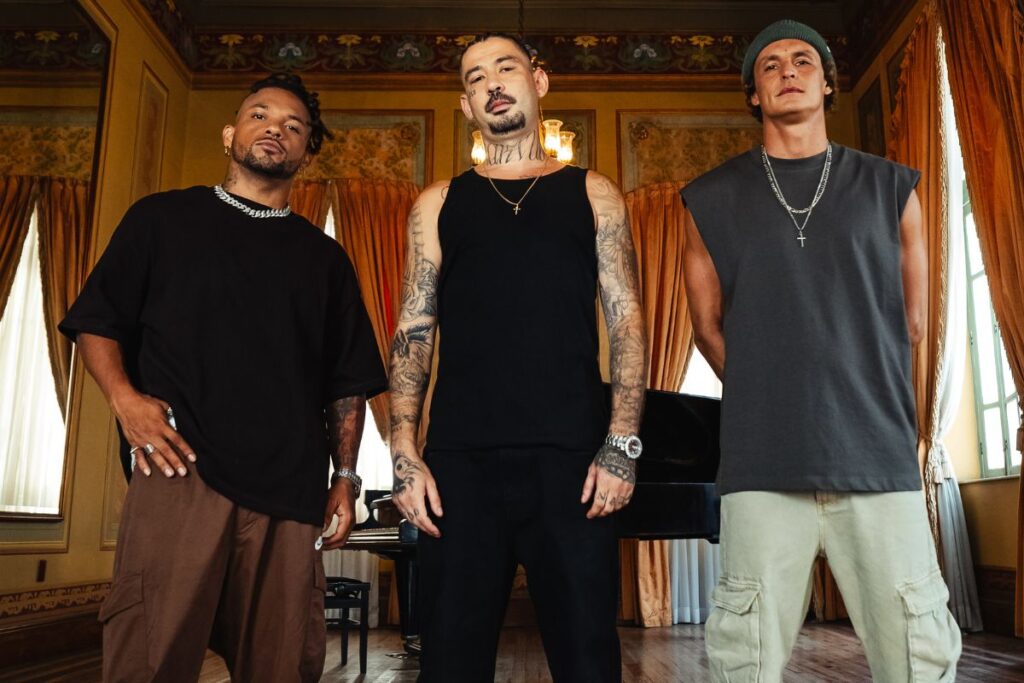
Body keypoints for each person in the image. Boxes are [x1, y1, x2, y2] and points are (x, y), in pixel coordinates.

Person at [60, 73, 387, 682]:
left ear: (307, 153)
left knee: (283, 665)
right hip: (180, 469)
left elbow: (346, 381)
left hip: (291, 488)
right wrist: (126, 402)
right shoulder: (161, 219)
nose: (275, 129)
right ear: (230, 133)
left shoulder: (326, 260)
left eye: (294, 126)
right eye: (260, 115)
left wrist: (345, 477)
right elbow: (96, 322)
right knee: (150, 658)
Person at [681, 19, 962, 682]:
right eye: (770, 64)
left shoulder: (893, 187)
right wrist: (770, 392)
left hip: (877, 456)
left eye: (803, 60)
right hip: (761, 462)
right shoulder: (709, 199)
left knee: (919, 653)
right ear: (754, 94)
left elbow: (912, 322)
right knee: (743, 657)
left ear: (828, 83)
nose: (787, 70)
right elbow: (707, 329)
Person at [386, 33, 648, 683]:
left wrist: (622, 444)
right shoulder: (437, 203)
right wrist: (403, 452)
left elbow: (627, 321)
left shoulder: (595, 194)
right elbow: (413, 329)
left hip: (574, 463)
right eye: (476, 77)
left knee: (588, 661)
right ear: (466, 105)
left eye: (506, 68)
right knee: (449, 663)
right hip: (459, 467)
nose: (493, 83)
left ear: (539, 82)